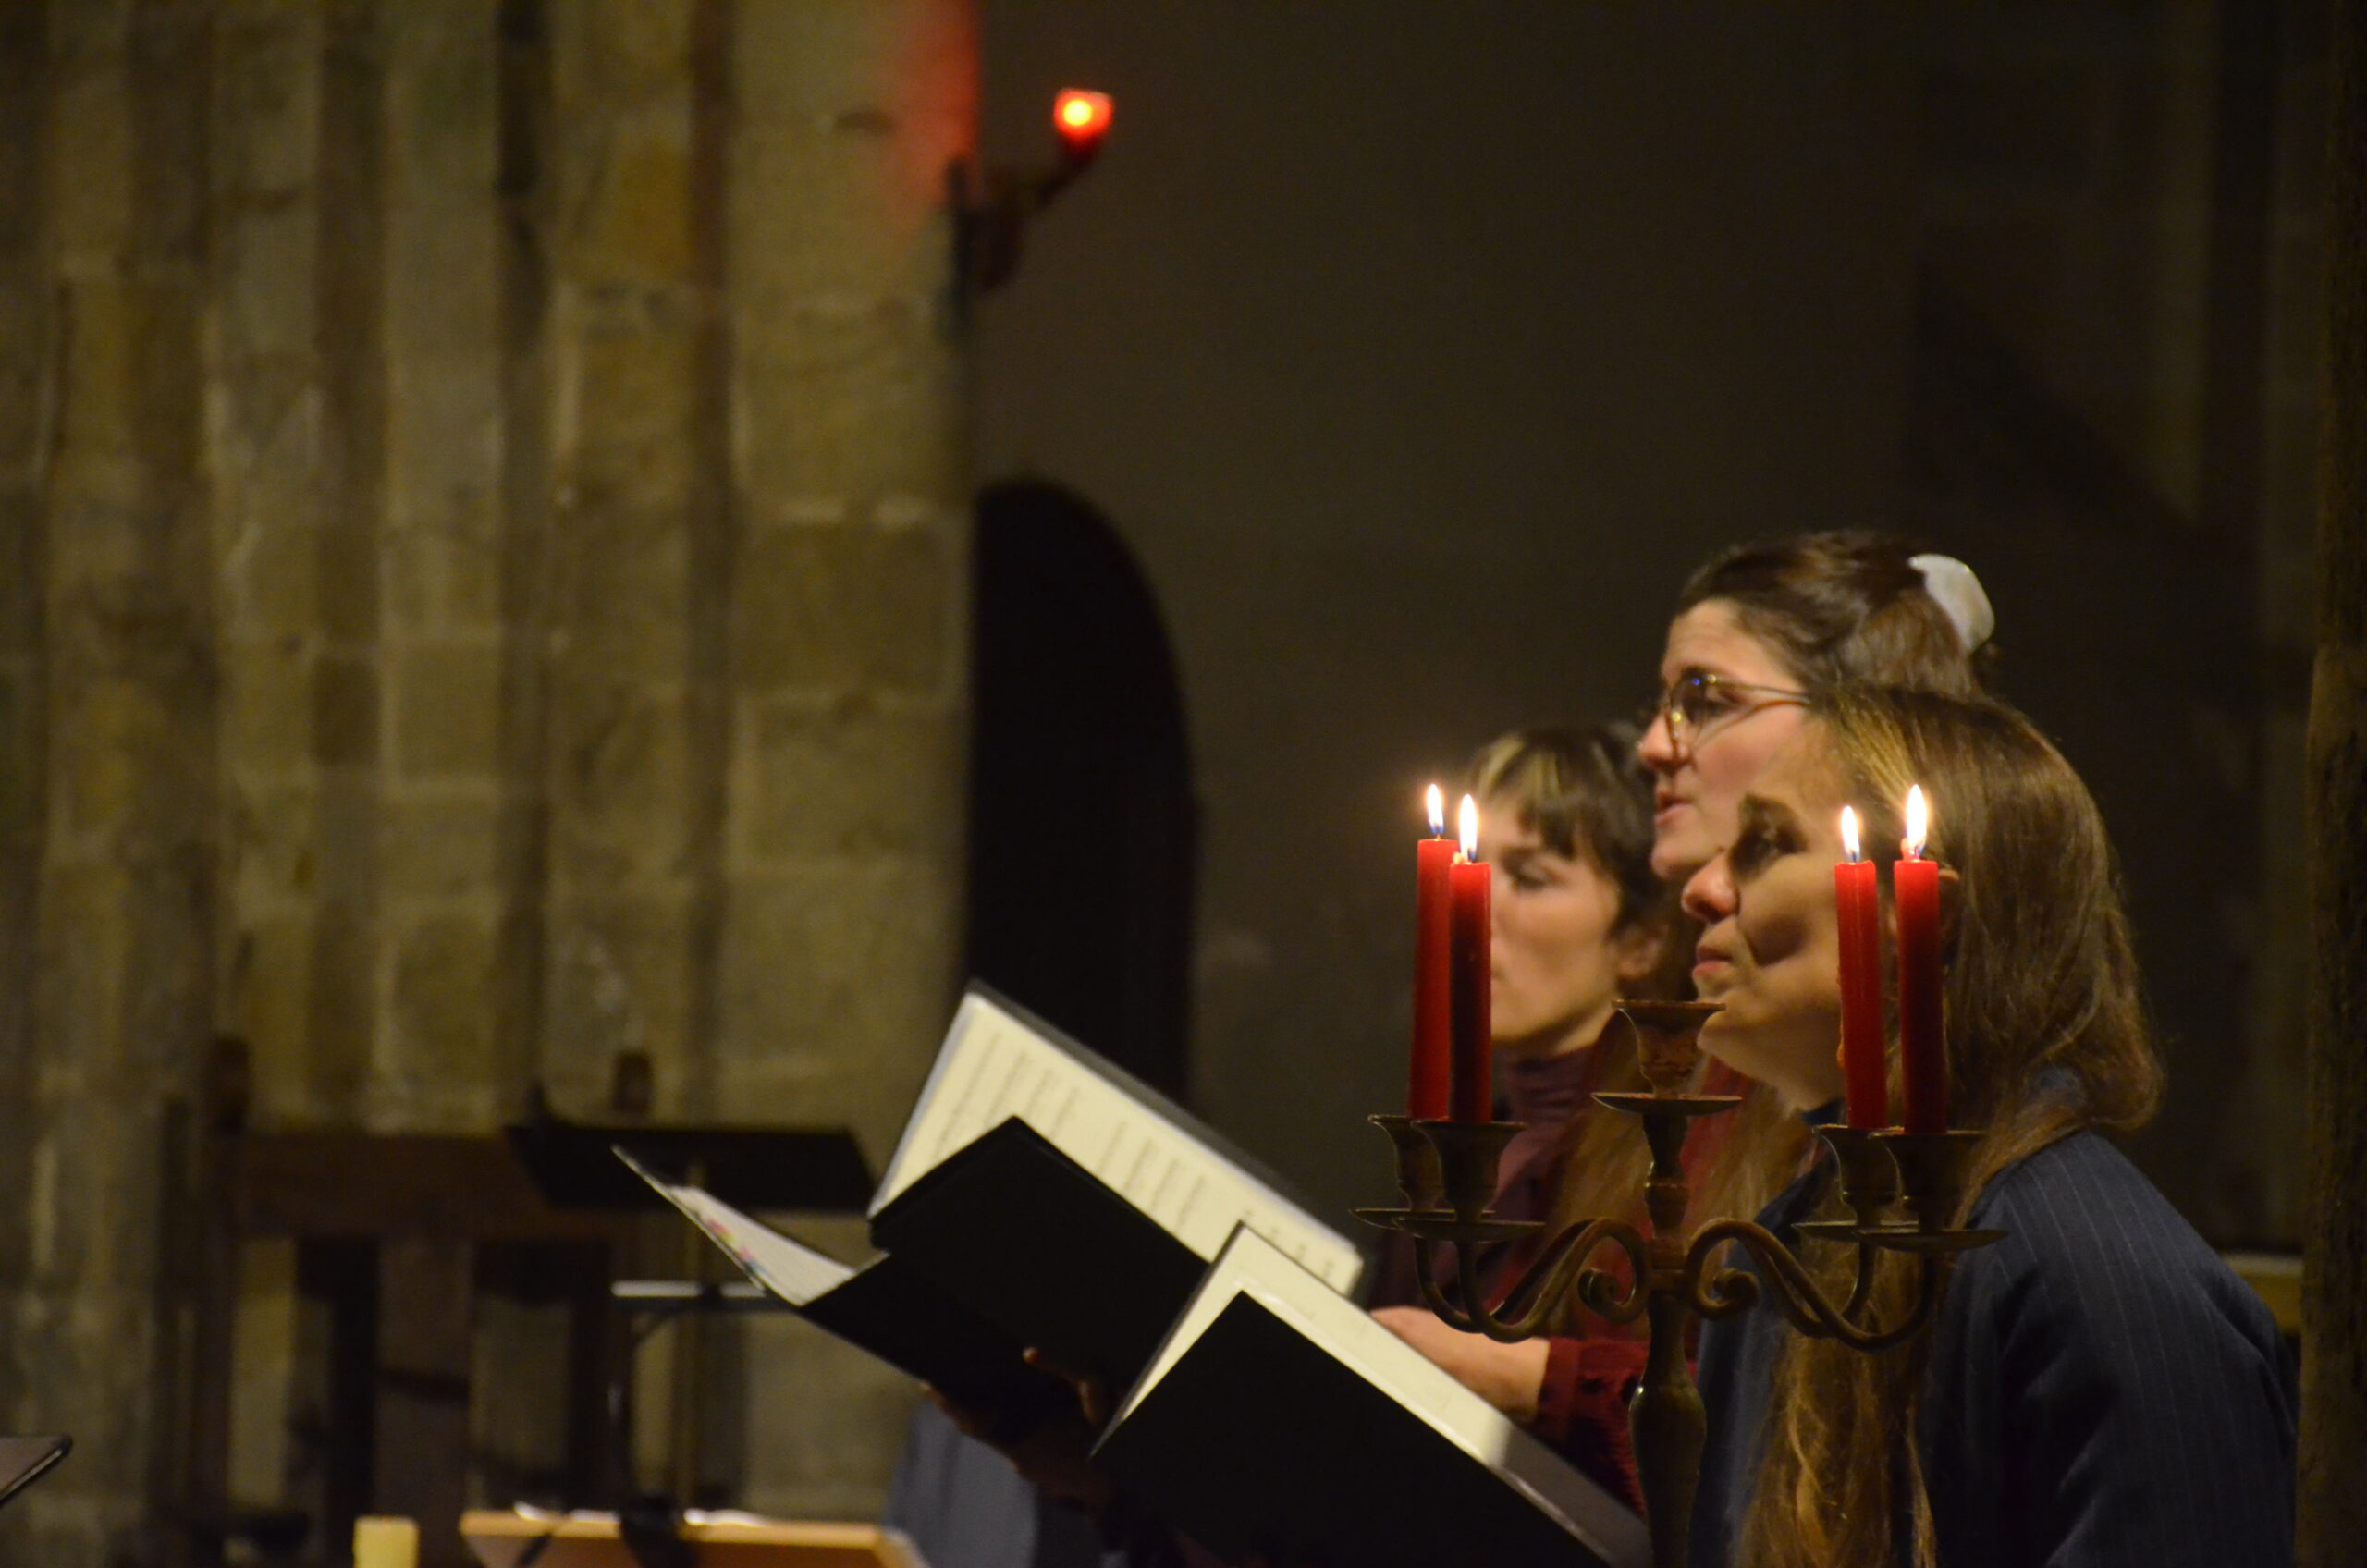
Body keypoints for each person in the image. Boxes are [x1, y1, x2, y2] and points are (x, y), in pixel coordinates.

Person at [1678, 687, 2294, 1567]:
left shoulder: (2091, 1275)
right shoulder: (1775, 1250)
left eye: (1768, 842)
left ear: (1917, 915)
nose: (1701, 890)